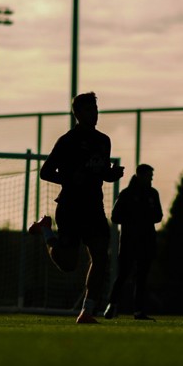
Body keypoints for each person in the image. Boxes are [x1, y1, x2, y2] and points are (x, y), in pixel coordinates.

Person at [29, 92, 125, 324]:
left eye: (96, 109)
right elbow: (45, 172)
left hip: (94, 207)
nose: (95, 114)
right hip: (71, 207)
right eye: (90, 109)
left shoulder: (104, 141)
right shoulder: (68, 141)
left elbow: (101, 171)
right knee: (69, 264)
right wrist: (71, 178)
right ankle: (46, 230)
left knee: (101, 256)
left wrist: (111, 174)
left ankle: (87, 311)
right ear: (78, 113)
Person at [105, 163, 163, 320]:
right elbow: (115, 216)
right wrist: (135, 218)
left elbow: (158, 216)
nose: (150, 179)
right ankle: (112, 305)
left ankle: (138, 311)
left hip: (147, 241)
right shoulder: (126, 194)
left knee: (142, 278)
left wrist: (146, 217)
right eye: (148, 175)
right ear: (140, 175)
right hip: (129, 241)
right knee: (123, 275)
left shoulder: (153, 194)